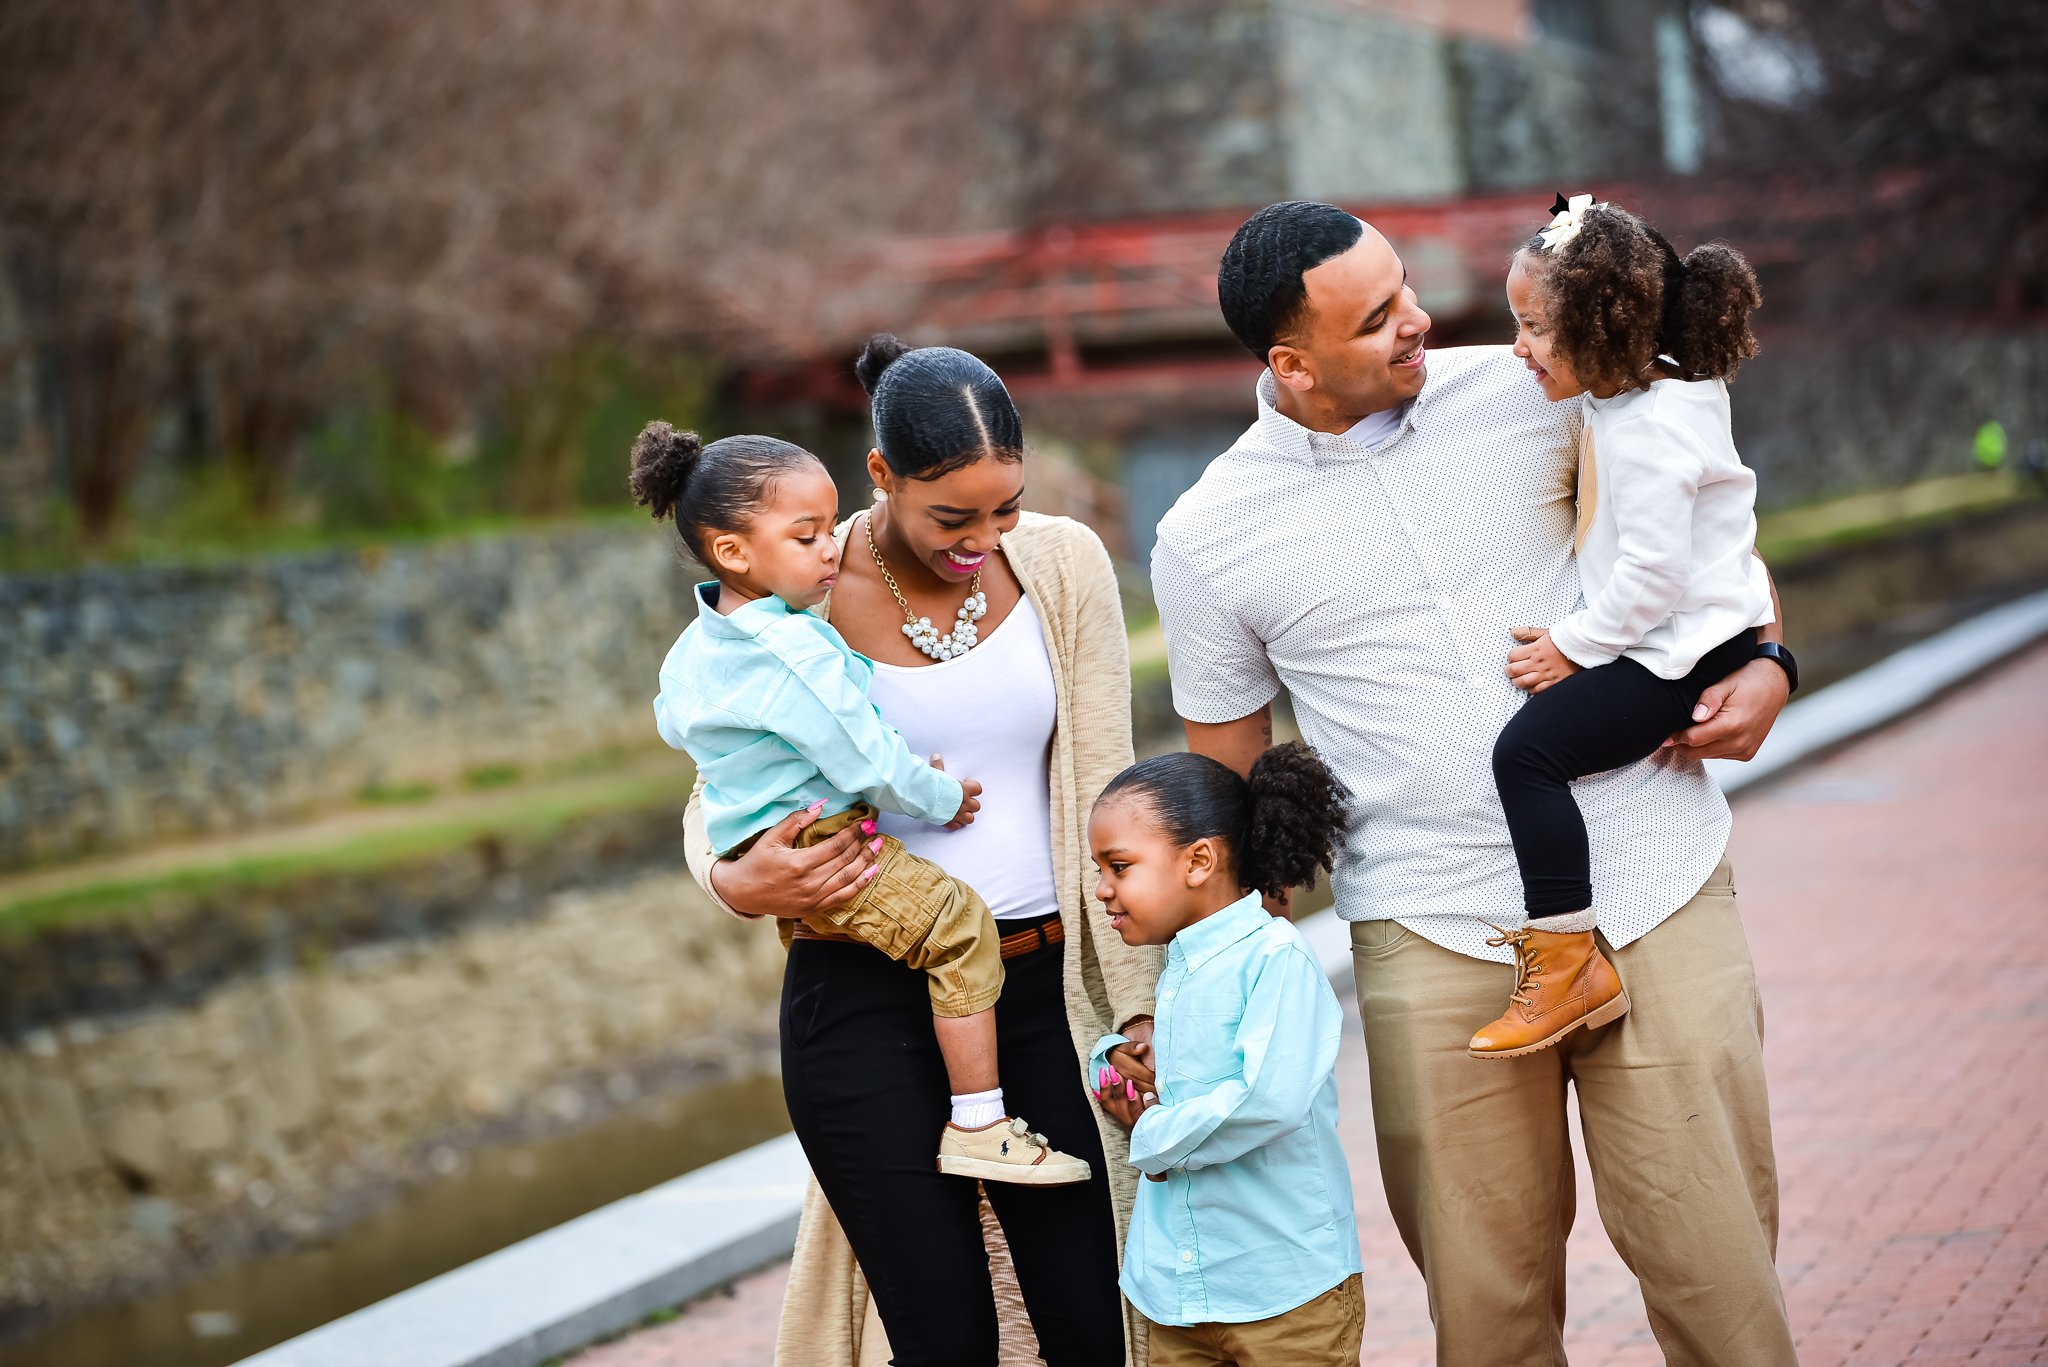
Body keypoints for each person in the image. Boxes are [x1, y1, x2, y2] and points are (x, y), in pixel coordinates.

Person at [1150, 200, 1801, 1366]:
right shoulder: (1207, 534)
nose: (1416, 321)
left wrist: (1767, 659)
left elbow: (1701, 526)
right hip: (1431, 932)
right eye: (1375, 318)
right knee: (1485, 1315)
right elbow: (1222, 792)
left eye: (1403, 288)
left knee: (1718, 1282)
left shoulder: (1529, 386)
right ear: (1290, 363)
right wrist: (1195, 1012)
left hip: (1651, 875)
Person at [678, 335, 1161, 1366]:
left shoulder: (1063, 565)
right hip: (860, 1003)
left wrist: (1140, 1002)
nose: (981, 539)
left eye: (1004, 508)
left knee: (1095, 1322)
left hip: (1035, 993)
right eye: (951, 516)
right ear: (882, 475)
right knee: (943, 1338)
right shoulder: (793, 585)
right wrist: (728, 875)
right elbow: (718, 774)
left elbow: (1110, 783)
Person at [638, 424, 1093, 1184]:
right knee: (958, 926)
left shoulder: (698, 647)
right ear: (734, 552)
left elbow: (673, 724)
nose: (829, 549)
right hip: (830, 840)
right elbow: (867, 760)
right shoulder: (797, 650)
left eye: (829, 527)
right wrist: (942, 796)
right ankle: (981, 1120)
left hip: (771, 842)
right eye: (807, 535)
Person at [1474, 194, 1779, 1058]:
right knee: (1532, 751)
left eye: (1532, 327)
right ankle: (1568, 958)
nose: (1518, 348)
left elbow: (1653, 578)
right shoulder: (1670, 387)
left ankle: (1567, 959)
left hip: (1678, 653)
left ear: (1601, 326)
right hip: (1704, 632)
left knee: (1527, 755)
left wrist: (1573, 645)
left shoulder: (1649, 430)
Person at [1086, 744, 1363, 1367]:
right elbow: (1165, 1075)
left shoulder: (1274, 959)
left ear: (1200, 860)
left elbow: (1265, 1102)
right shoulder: (1180, 965)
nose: (1102, 889)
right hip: (1177, 1293)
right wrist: (1118, 1064)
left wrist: (1151, 1130)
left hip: (1283, 1294)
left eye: (1119, 866)